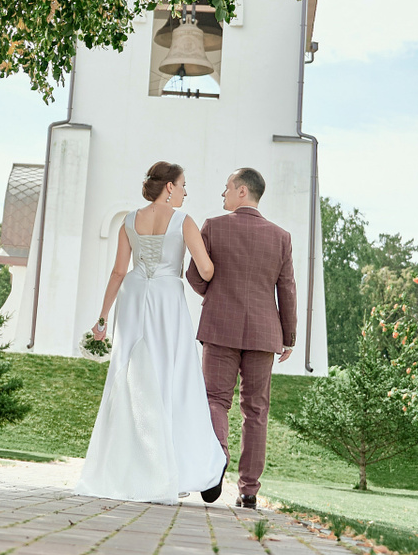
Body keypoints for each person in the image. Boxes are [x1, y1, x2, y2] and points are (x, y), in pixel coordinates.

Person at [74, 161, 229, 504]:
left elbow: (118, 271)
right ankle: (175, 467)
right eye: (183, 185)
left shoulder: (129, 220)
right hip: (166, 299)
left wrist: (102, 318)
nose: (185, 191)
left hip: (132, 298)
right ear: (169, 187)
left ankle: (129, 468)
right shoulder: (183, 221)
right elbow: (206, 269)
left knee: (129, 376)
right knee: (173, 378)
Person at [187, 167, 297, 509]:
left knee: (215, 399)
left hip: (219, 327)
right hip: (265, 333)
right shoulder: (281, 237)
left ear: (242, 192)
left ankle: (217, 459)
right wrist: (289, 337)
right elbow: (287, 289)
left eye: (226, 188)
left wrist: (215, 294)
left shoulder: (213, 226)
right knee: (256, 410)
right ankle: (249, 490)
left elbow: (194, 274)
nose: (223, 194)